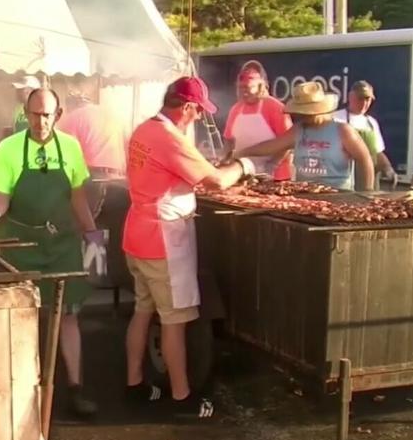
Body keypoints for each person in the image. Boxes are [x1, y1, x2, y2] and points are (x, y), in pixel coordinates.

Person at [0, 88, 105, 416]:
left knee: (68, 314)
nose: (41, 121)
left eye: (47, 114)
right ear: (26, 113)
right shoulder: (9, 150)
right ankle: (27, 392)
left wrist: (93, 234)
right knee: (26, 315)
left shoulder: (70, 147)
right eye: (35, 114)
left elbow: (78, 197)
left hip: (62, 242)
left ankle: (76, 389)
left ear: (58, 115)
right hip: (23, 243)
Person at [123, 76, 255, 419]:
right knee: (174, 321)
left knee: (142, 311)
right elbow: (216, 179)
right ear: (187, 108)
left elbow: (169, 178)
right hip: (163, 240)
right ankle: (182, 397)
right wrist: (243, 165)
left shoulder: (144, 130)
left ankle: (135, 383)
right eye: (198, 111)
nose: (199, 117)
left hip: (136, 234)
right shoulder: (169, 138)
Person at [235, 81, 374, 191]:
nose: (299, 116)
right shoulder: (299, 129)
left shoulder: (343, 130)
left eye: (304, 112)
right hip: (304, 193)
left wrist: (365, 192)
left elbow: (364, 159)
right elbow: (272, 146)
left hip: (337, 194)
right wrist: (241, 153)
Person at [57, 91, 126, 219]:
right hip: (118, 180)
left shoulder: (72, 118)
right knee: (114, 229)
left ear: (71, 105)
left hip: (92, 181)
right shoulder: (111, 115)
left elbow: (65, 154)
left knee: (83, 227)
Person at [223, 60, 293, 180]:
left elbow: (288, 143)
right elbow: (228, 140)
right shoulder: (236, 109)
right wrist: (226, 160)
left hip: (275, 175)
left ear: (260, 86)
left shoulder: (275, 107)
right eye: (241, 88)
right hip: (245, 172)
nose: (244, 91)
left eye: (248, 87)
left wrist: (273, 165)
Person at [333, 81, 398, 186]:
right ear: (350, 97)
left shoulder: (371, 122)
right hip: (346, 179)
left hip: (370, 180)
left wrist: (388, 168)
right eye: (360, 99)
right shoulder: (336, 118)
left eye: (367, 99)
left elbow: (377, 152)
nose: (364, 103)